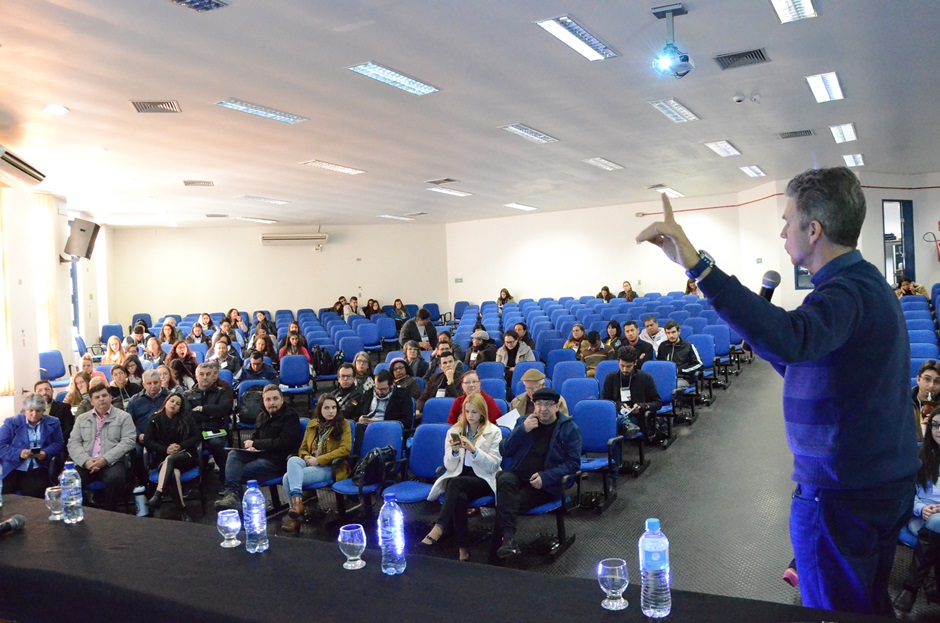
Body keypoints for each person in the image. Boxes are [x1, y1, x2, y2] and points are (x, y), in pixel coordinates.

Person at [636, 166, 919, 614]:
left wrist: (699, 266)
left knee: (835, 610)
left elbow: (792, 338)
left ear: (814, 230)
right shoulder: (864, 285)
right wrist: (765, 340)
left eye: (788, 221)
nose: (783, 231)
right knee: (866, 605)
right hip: (875, 483)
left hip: (843, 491)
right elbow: (815, 366)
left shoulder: (845, 292)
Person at [491, 388, 581, 561]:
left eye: (548, 404)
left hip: (544, 486)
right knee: (504, 478)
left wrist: (546, 477)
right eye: (539, 404)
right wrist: (522, 430)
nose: (543, 409)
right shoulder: (524, 422)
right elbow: (505, 451)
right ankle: (508, 540)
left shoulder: (569, 429)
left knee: (506, 502)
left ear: (557, 407)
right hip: (518, 476)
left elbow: (573, 464)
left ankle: (497, 553)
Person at [422, 394, 502, 562]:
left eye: (474, 412)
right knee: (459, 496)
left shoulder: (494, 431)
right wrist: (455, 452)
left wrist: (474, 450)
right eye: (467, 411)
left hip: (483, 479)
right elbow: (449, 466)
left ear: (482, 412)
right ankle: (463, 548)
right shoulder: (454, 431)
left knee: (455, 483)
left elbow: (493, 465)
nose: (470, 416)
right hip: (460, 477)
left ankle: (439, 526)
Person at [215, 385, 302, 511]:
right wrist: (251, 446)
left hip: (277, 462)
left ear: (282, 399)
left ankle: (238, 507)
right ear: (263, 401)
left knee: (235, 473)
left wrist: (256, 444)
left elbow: (283, 443)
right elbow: (255, 437)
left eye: (275, 399)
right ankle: (232, 496)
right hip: (259, 455)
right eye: (268, 400)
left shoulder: (290, 416)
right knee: (233, 454)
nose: (272, 403)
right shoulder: (261, 416)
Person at [281, 396, 352, 533]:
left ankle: (295, 517)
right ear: (320, 410)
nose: (331, 411)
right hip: (310, 463)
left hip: (330, 466)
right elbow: (302, 448)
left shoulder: (344, 424)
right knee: (292, 460)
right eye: (327, 408)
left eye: (334, 407)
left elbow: (345, 449)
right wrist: (306, 456)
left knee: (287, 478)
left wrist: (319, 460)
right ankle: (297, 505)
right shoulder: (313, 424)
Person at [894, 407, 940, 612]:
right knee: (935, 522)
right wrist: (921, 508)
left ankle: (911, 589)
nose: (939, 430)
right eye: (935, 425)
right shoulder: (918, 456)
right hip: (920, 517)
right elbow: (905, 492)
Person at [67, 380, 138, 512]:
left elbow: (128, 441)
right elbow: (73, 443)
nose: (101, 399)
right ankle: (89, 511)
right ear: (91, 401)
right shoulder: (82, 419)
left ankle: (109, 512)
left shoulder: (124, 417)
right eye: (97, 397)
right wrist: (86, 461)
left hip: (112, 461)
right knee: (70, 481)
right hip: (87, 462)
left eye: (104, 396)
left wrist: (105, 459)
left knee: (115, 479)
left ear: (110, 397)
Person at [143, 393, 201, 522]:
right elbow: (148, 441)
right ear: (166, 402)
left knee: (171, 459)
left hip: (185, 456)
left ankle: (158, 493)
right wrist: (165, 449)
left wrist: (180, 446)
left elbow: (197, 437)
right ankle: (182, 510)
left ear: (180, 409)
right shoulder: (154, 419)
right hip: (162, 457)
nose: (174, 404)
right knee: (174, 473)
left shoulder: (186, 419)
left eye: (178, 404)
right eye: (172, 401)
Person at [0, 392, 65, 498]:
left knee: (36, 492)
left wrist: (45, 453)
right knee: (6, 494)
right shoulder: (11, 423)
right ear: (25, 410)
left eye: (38, 411)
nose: (34, 414)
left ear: (43, 411)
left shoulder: (53, 422)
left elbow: (58, 443)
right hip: (13, 467)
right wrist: (19, 453)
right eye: (31, 410)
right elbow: (1, 445)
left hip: (38, 467)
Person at [601, 347, 662, 442]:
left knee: (611, 422)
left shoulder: (645, 378)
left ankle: (625, 424)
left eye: (628, 366)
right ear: (618, 362)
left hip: (636, 417)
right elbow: (605, 401)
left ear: (635, 363)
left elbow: (658, 403)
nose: (624, 369)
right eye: (622, 366)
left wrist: (642, 406)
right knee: (593, 402)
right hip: (616, 413)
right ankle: (624, 423)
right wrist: (619, 405)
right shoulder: (611, 377)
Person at [183, 363, 233, 475]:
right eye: (201, 374)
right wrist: (212, 414)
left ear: (213, 376)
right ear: (196, 376)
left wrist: (202, 409)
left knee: (216, 443)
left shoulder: (221, 392)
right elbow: (188, 415)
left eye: (208, 374)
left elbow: (224, 409)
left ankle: (226, 475)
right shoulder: (187, 394)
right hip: (195, 432)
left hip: (215, 430)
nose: (205, 377)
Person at [656, 321, 703, 389]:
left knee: (671, 387)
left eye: (673, 332)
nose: (671, 335)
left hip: (681, 378)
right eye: (668, 333)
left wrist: (681, 370)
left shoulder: (688, 346)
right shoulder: (663, 346)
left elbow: (699, 364)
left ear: (679, 332)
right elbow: (659, 364)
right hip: (665, 378)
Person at [126, 370, 169, 443]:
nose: (153, 386)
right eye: (149, 383)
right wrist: (138, 435)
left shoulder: (170, 398)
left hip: (167, 438)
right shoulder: (134, 400)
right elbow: (128, 422)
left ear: (160, 382)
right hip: (143, 439)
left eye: (155, 382)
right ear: (143, 385)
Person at [34, 379, 75, 448]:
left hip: (57, 446)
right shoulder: (30, 411)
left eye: (47, 389)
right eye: (40, 390)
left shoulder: (64, 408)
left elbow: (68, 430)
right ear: (35, 394)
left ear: (52, 391)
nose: (44, 392)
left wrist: (55, 444)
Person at [913, 360, 940, 441]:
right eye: (927, 379)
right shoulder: (904, 401)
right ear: (918, 379)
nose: (931, 385)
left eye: (937, 381)